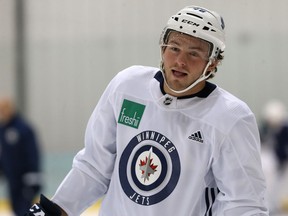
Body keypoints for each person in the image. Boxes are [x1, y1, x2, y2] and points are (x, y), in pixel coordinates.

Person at [26, 5, 269, 215]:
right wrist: (55, 210)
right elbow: (94, 166)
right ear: (163, 48)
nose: (180, 61)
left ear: (213, 63)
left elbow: (244, 203)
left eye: (194, 53)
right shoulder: (127, 87)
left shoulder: (230, 117)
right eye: (174, 48)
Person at [0, 96, 42, 216]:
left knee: (24, 209)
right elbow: (5, 155)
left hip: (25, 180)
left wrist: (33, 176)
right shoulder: (3, 129)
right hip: (12, 179)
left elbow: (32, 153)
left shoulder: (23, 128)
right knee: (15, 208)